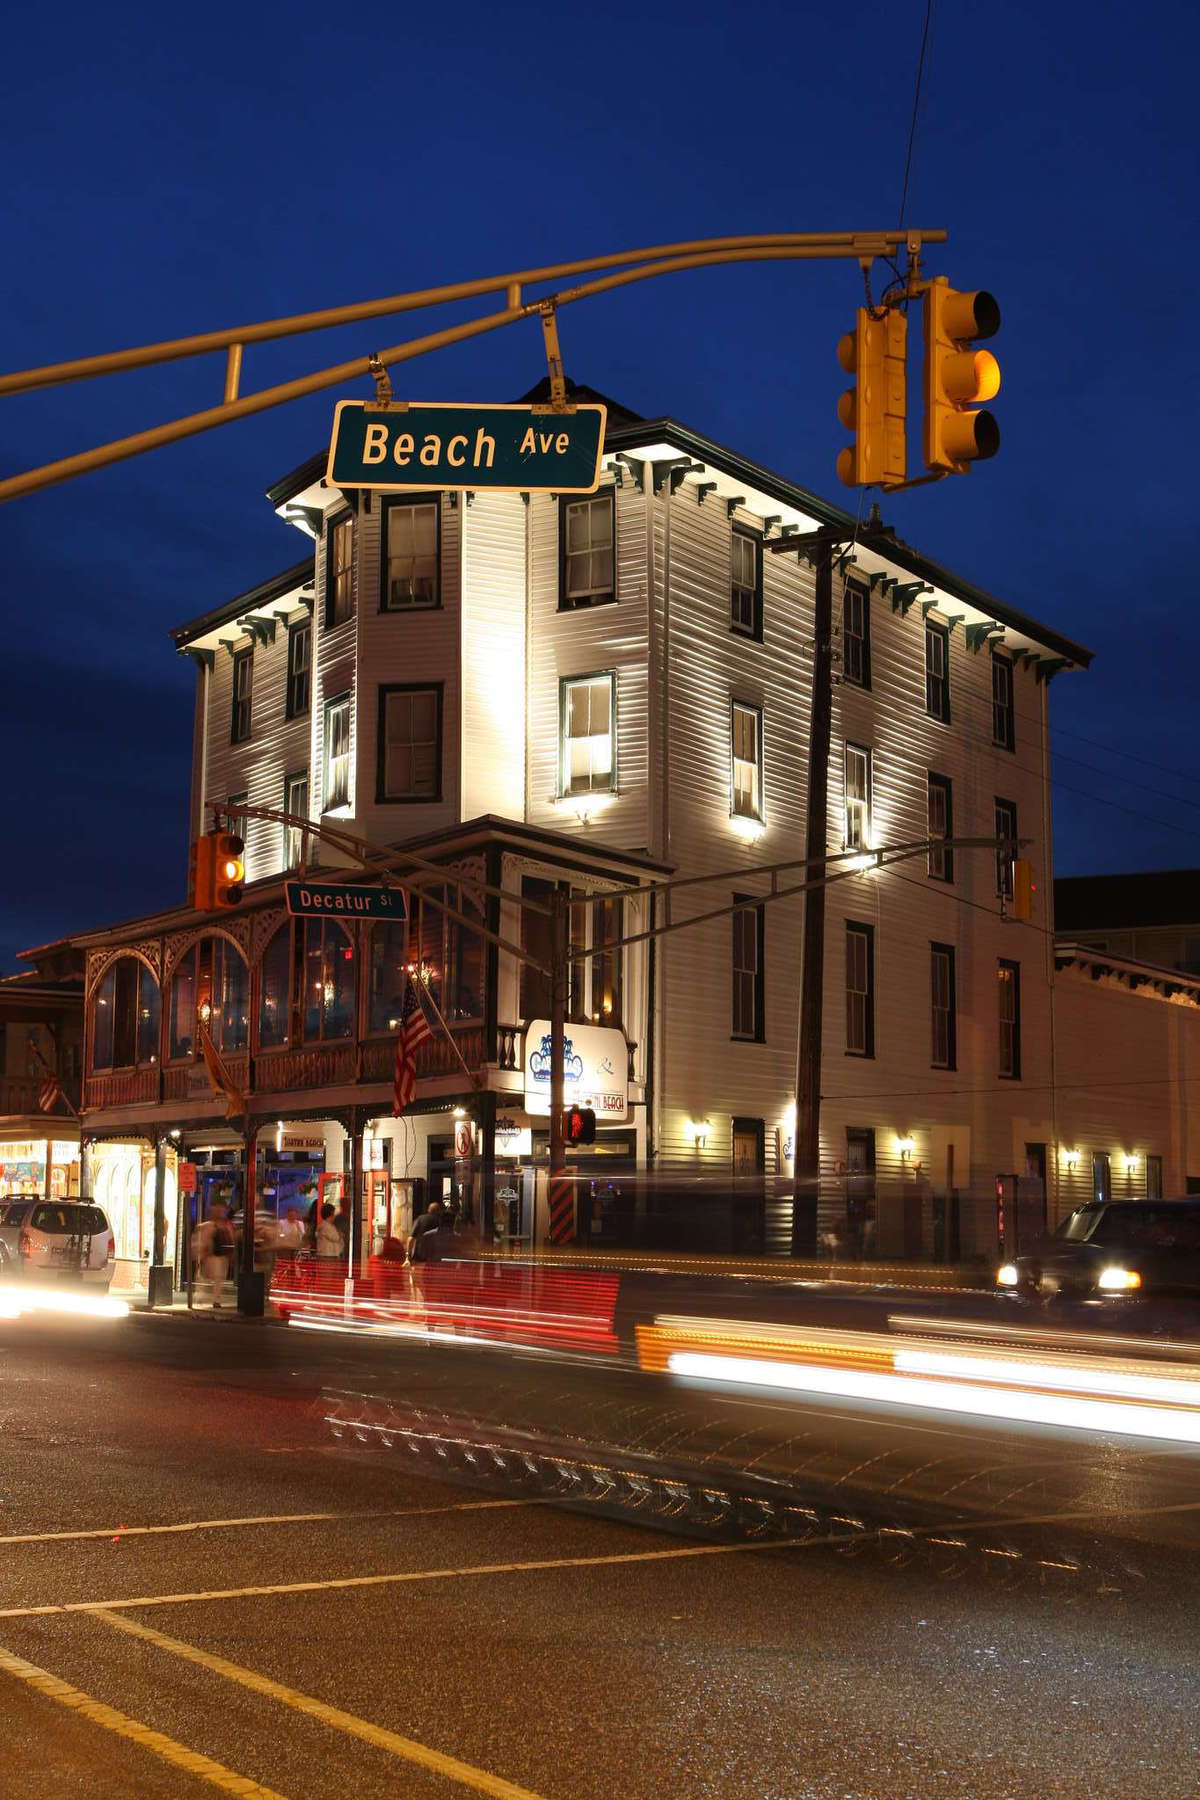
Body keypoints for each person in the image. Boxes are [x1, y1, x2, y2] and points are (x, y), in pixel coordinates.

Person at [191, 1200, 235, 1310]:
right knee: (205, 1277)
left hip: (220, 1256)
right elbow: (202, 1242)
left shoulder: (225, 1226)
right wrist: (201, 1255)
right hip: (211, 1256)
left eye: (222, 1210)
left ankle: (213, 1300)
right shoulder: (208, 1226)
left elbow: (231, 1240)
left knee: (216, 1279)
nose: (220, 1212)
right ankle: (201, 1298)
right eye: (218, 1210)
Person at [407, 1199, 445, 1265]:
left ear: (428, 1210)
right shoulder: (441, 1222)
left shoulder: (420, 1219)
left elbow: (411, 1239)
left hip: (420, 1255)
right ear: (439, 1211)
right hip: (435, 1256)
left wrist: (408, 1255)